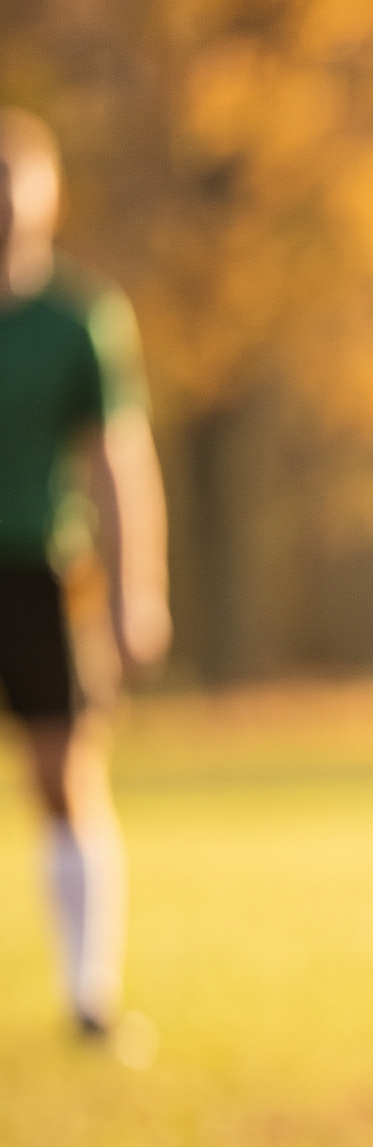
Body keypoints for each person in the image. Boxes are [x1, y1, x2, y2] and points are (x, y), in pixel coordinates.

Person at [0, 108, 167, 1057]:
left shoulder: (78, 319)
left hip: (40, 569)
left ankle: (88, 993)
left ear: (44, 195)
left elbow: (116, 458)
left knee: (66, 776)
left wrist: (138, 587)